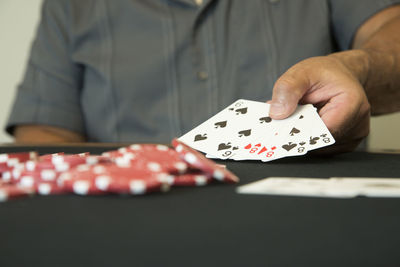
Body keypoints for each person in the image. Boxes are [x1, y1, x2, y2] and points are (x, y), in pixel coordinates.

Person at [6, 0, 400, 154]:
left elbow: (391, 33)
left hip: (306, 228)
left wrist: (359, 67)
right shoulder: (69, 5)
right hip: (126, 236)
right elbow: (44, 140)